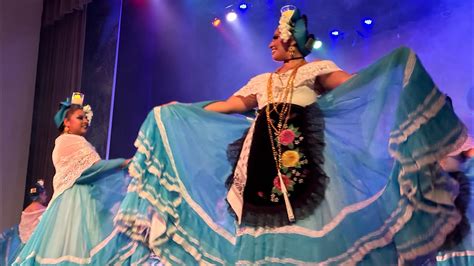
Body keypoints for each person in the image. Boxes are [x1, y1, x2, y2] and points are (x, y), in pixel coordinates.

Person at [116, 5, 471, 265]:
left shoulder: (316, 70)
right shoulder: (260, 82)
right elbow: (228, 105)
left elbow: (357, 85)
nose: (270, 44)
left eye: (275, 37)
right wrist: (185, 110)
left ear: (290, 39)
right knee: (262, 230)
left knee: (311, 225)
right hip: (260, 163)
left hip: (305, 158)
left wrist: (391, 74)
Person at [13, 93, 149, 265]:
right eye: (80, 118)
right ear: (67, 123)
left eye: (86, 118)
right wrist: (122, 163)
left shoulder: (73, 141)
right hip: (73, 206)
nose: (85, 121)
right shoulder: (67, 141)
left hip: (79, 204)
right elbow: (90, 170)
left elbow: (92, 170)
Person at [0, 180, 48, 266]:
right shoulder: (43, 210)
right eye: (44, 194)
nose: (46, 196)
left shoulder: (26, 210)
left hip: (22, 246)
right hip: (34, 247)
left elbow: (23, 230)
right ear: (40, 195)